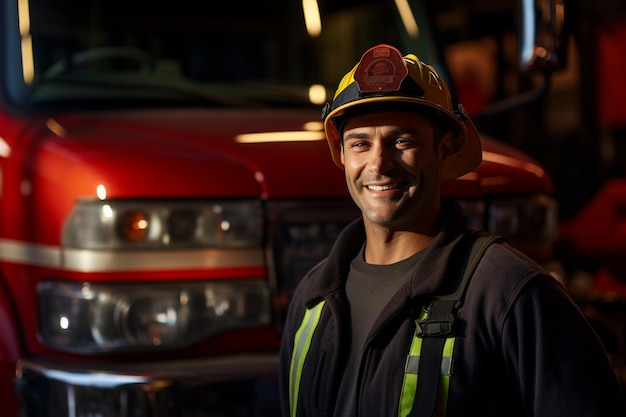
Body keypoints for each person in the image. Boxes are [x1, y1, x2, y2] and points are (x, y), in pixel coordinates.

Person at [278, 44, 626, 417]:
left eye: (402, 141)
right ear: (341, 153)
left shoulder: (509, 294)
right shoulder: (312, 299)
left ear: (445, 148)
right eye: (360, 143)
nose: (378, 163)